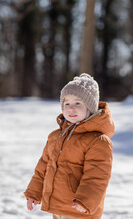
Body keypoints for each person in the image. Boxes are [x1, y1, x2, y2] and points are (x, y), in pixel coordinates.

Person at [24, 73, 115, 219]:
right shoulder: (55, 137)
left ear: (90, 107)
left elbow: (97, 176)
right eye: (67, 104)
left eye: (78, 103)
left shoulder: (98, 141)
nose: (71, 109)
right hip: (57, 207)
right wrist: (34, 192)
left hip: (79, 209)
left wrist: (85, 201)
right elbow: (43, 167)